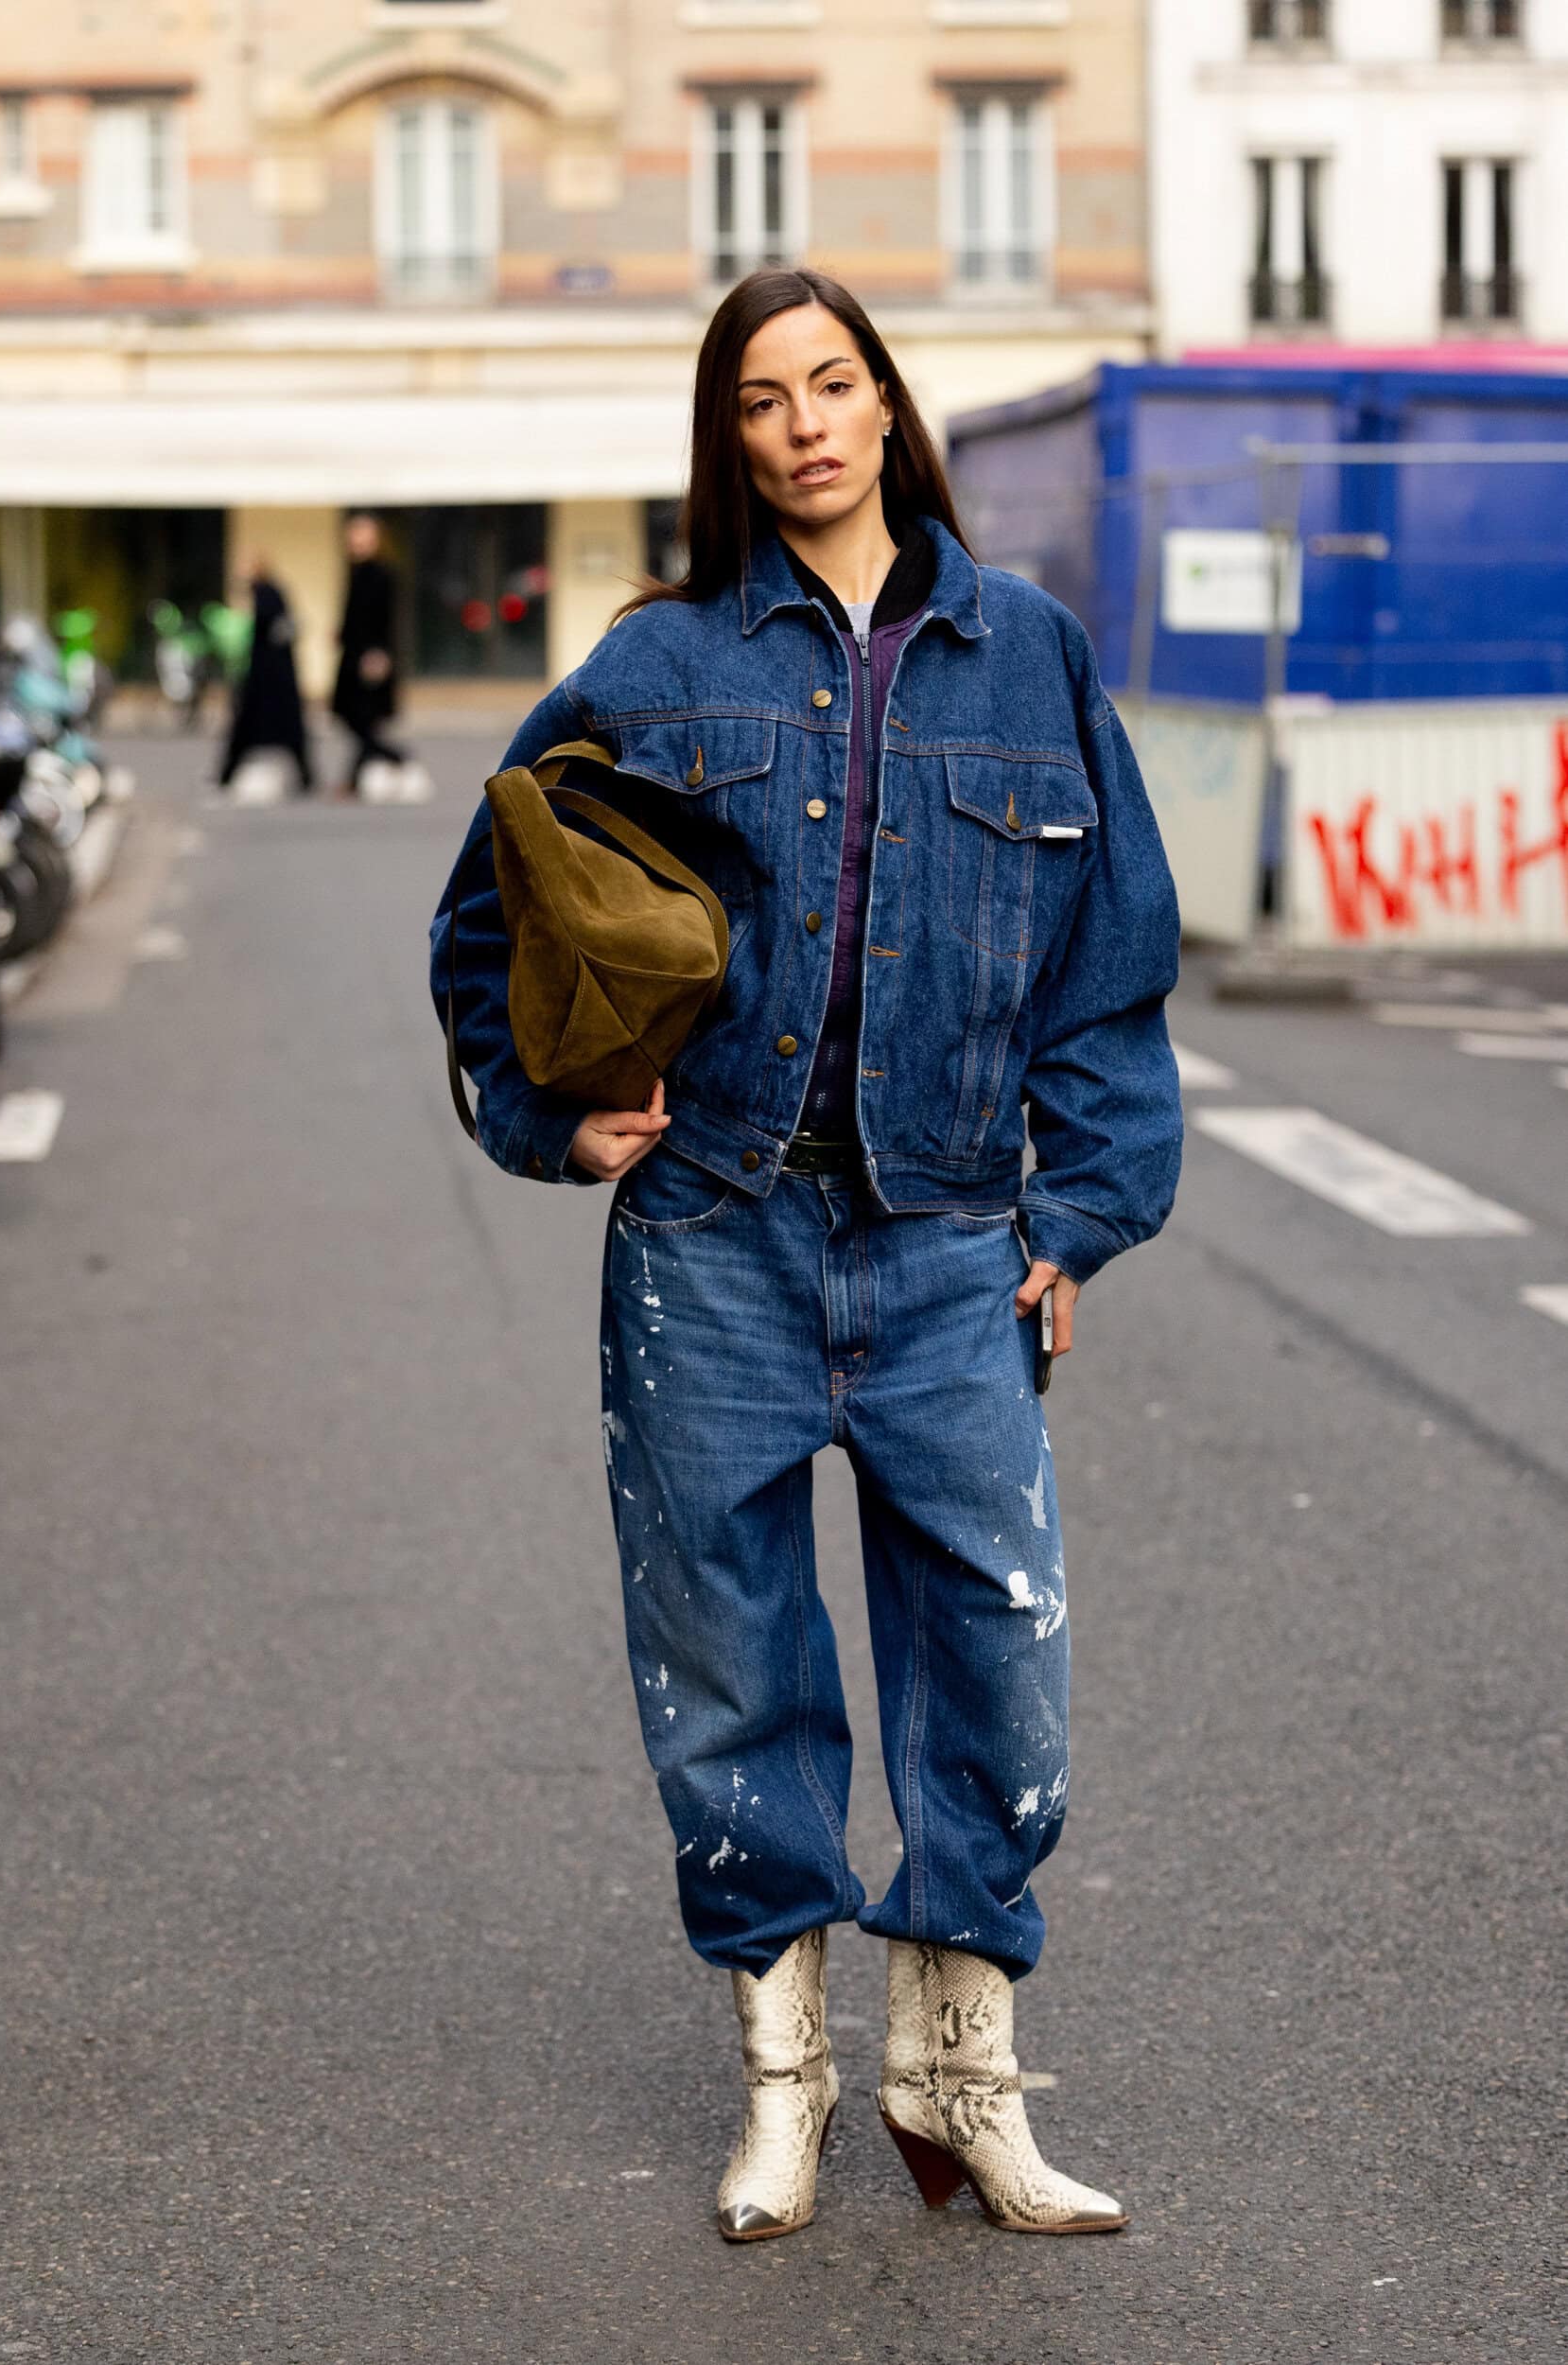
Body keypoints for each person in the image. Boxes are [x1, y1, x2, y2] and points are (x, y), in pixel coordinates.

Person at [429, 268, 1182, 2243]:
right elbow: (490, 903)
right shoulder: (659, 662)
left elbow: (1108, 970)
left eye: (830, 383)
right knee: (729, 1668)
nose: (802, 426)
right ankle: (787, 2083)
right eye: (759, 401)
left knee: (996, 1662)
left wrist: (1080, 1215)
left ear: (885, 402)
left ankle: (960, 2082)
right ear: (730, 439)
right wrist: (550, 1112)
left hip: (948, 1246)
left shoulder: (1028, 656)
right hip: (714, 1237)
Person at [216, 558, 312, 795]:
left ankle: (227, 775)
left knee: (249, 727)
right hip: (273, 676)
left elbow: (271, 629)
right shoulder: (269, 593)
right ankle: (305, 776)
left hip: (267, 676)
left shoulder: (266, 594)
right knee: (284, 731)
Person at [331, 513, 404, 794]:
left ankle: (394, 757)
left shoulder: (381, 573)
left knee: (363, 717)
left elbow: (384, 618)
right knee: (353, 716)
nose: (356, 539)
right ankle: (358, 777)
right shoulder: (356, 570)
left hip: (369, 657)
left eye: (362, 534)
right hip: (352, 654)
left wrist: (380, 653)